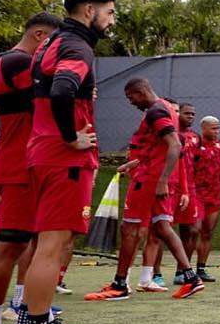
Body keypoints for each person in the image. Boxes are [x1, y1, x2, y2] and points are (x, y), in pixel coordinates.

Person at [13, 0, 116, 324]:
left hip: (41, 152)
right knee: (51, 249)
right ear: (89, 10)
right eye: (109, 12)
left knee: (44, 247)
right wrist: (72, 137)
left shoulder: (50, 43)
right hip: (63, 159)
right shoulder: (77, 46)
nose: (111, 19)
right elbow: (62, 90)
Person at [85, 79, 206, 301]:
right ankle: (191, 277)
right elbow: (163, 146)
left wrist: (161, 180)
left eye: (131, 97)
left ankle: (120, 284)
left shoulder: (155, 111)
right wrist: (135, 164)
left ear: (140, 92)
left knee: (129, 229)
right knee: (162, 227)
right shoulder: (167, 108)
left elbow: (175, 146)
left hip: (149, 181)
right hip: (154, 176)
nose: (131, 103)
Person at [0, 12, 62, 324]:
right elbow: (46, 101)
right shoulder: (17, 61)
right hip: (20, 164)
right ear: (39, 35)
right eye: (52, 43)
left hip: (28, 162)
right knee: (9, 245)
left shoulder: (16, 62)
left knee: (32, 244)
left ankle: (25, 317)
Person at [170, 101, 202, 284]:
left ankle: (182, 271)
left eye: (192, 114)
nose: (190, 117)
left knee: (192, 229)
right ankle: (154, 274)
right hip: (171, 186)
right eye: (187, 113)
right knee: (163, 230)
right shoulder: (170, 133)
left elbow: (196, 163)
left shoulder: (196, 137)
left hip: (189, 188)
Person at [193, 116, 220, 281]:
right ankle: (182, 270)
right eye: (213, 128)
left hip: (214, 196)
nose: (216, 131)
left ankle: (201, 269)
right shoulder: (195, 145)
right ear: (204, 128)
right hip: (197, 195)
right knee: (193, 231)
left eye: (218, 128)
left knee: (207, 233)